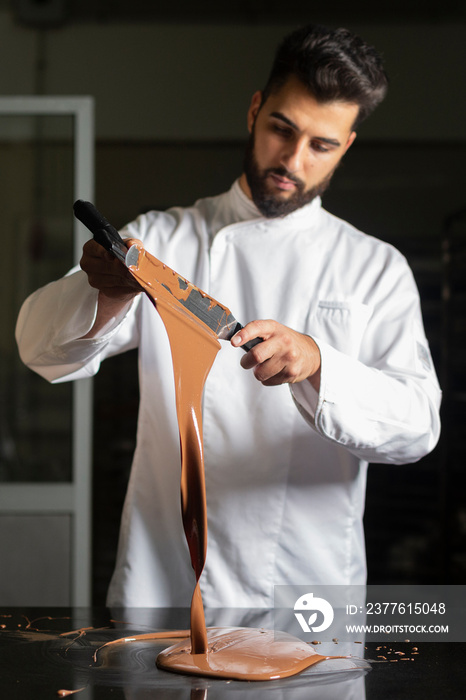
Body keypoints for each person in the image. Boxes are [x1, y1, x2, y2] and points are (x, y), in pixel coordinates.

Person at [16, 24, 441, 609]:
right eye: (281, 129)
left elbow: (418, 427)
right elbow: (37, 347)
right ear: (254, 110)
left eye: (320, 145)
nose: (292, 160)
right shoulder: (163, 240)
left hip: (308, 592)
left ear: (345, 147)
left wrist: (320, 364)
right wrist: (110, 292)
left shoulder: (373, 267)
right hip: (164, 588)